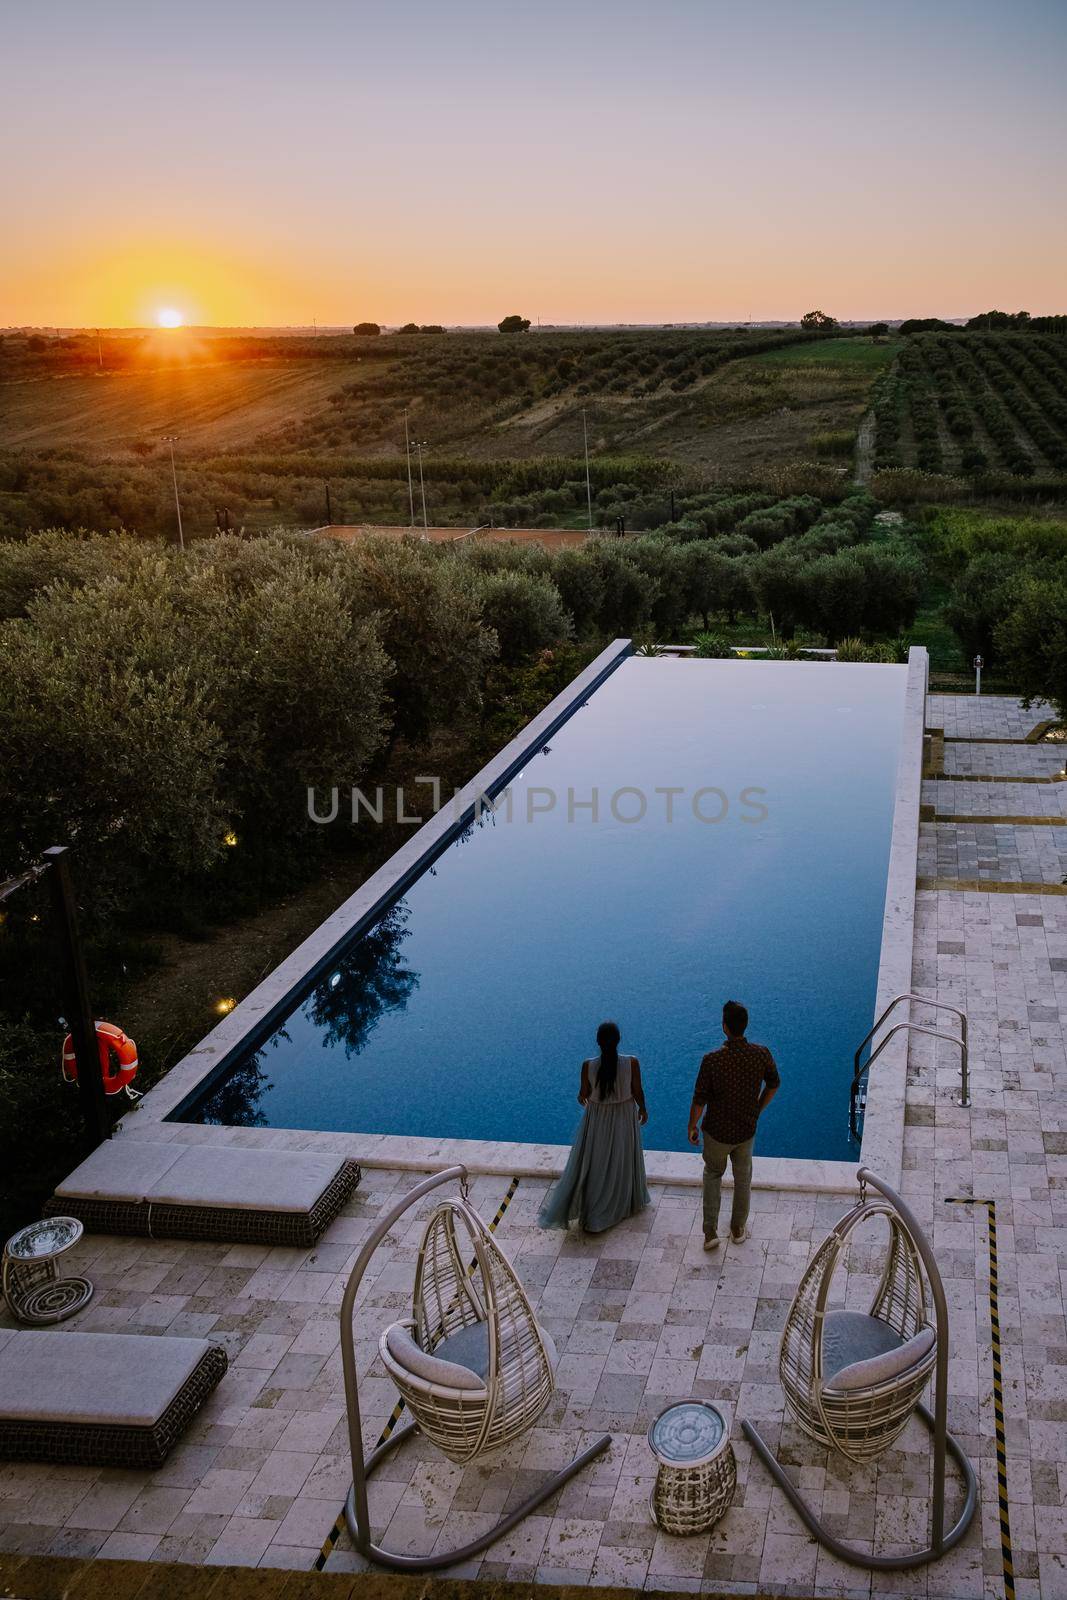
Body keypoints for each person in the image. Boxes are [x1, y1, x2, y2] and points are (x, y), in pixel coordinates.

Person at [539, 1021, 651, 1233]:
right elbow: (637, 1090)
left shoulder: (588, 1066)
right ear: (618, 1040)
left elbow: (584, 1094)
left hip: (598, 1119)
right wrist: (643, 1109)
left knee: (597, 1162)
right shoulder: (632, 1063)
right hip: (624, 1117)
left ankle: (595, 1211)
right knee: (622, 1159)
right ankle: (622, 1202)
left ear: (598, 1042)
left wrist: (584, 1097)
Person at [688, 999, 779, 1250]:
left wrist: (692, 1126)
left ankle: (710, 1233)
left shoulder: (712, 1060)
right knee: (743, 1179)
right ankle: (738, 1227)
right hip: (745, 1130)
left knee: (713, 1175)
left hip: (716, 1132)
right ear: (745, 1026)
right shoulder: (761, 1054)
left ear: (725, 1027)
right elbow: (774, 1083)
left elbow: (699, 1100)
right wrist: (758, 1108)